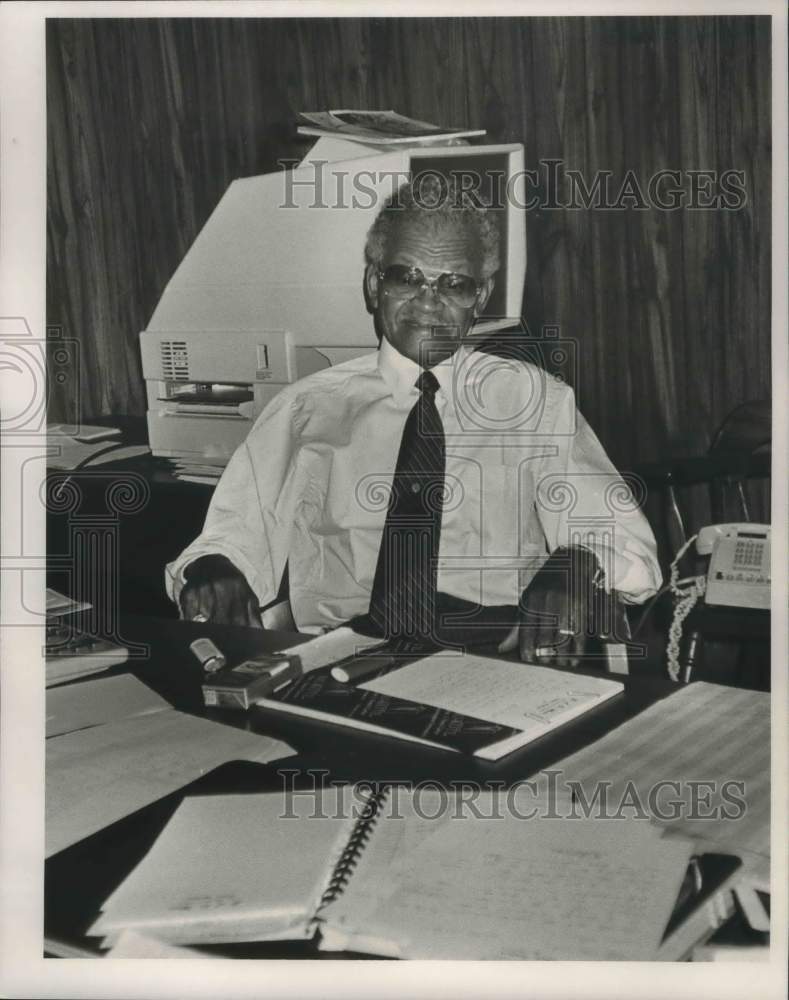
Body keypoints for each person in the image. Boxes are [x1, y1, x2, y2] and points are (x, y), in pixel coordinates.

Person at [167, 176, 661, 666]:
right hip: (346, 660)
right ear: (373, 284)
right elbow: (229, 539)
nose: (429, 301)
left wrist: (577, 562)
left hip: (495, 660)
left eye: (455, 284)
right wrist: (214, 568)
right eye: (408, 277)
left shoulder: (536, 402)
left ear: (481, 297)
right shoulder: (305, 409)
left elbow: (634, 556)